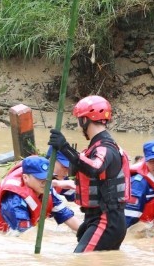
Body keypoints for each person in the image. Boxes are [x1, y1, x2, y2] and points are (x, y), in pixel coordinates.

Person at [49, 95, 129, 253]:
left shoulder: (105, 148)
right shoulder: (97, 147)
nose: (78, 127)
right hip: (98, 218)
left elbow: (94, 168)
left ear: (85, 120)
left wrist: (64, 147)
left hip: (107, 220)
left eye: (79, 120)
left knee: (79, 260)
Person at [0, 155, 78, 233]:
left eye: (48, 178)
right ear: (25, 178)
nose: (45, 183)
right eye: (40, 179)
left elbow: (66, 216)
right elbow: (25, 237)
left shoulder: (47, 189)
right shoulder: (14, 201)